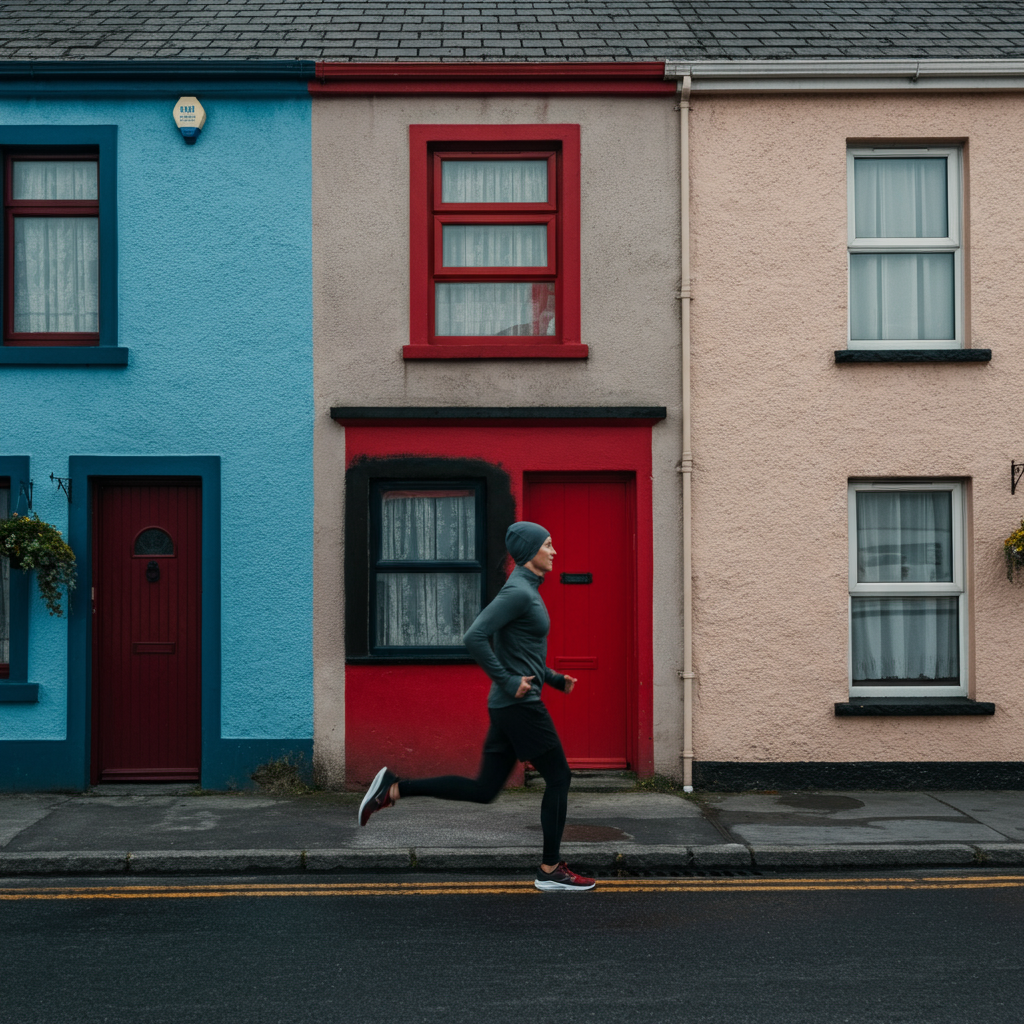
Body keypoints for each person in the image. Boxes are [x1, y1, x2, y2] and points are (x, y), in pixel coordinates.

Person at [358, 521, 596, 892]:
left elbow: (518, 650)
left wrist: (551, 678)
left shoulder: (527, 590)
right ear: (530, 551)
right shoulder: (518, 591)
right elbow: (475, 636)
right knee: (559, 777)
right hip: (520, 706)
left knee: (485, 789)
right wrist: (507, 680)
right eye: (548, 545)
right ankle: (550, 870)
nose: (554, 552)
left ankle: (393, 789)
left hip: (509, 705)